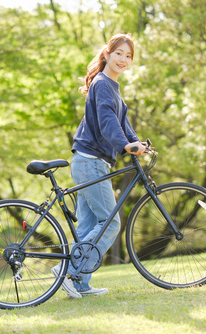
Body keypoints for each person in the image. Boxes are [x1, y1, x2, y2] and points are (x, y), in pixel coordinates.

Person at [51, 34, 147, 298]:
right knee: (110, 222)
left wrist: (138, 142)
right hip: (91, 161)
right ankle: (67, 270)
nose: (123, 59)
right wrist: (125, 146)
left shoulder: (110, 86)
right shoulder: (103, 84)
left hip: (90, 162)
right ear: (107, 54)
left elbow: (122, 123)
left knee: (87, 227)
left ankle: (79, 283)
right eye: (119, 53)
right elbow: (107, 121)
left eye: (128, 56)